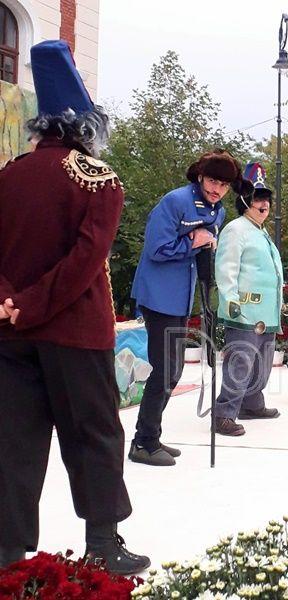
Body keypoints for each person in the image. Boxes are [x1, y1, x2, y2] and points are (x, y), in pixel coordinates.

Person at [0, 40, 149, 573]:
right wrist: (33, 304)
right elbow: (86, 262)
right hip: (76, 333)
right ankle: (103, 545)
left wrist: (11, 303)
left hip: (10, 333)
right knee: (93, 436)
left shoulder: (8, 174)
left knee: (12, 443)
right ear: (87, 127)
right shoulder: (98, 180)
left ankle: (6, 554)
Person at [128, 150, 239, 465]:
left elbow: (204, 242)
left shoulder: (217, 211)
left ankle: (151, 435)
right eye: (213, 181)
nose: (217, 189)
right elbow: (156, 248)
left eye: (224, 184)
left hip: (181, 296)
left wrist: (206, 244)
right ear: (201, 177)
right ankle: (143, 443)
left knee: (173, 371)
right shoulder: (175, 201)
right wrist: (193, 241)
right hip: (158, 295)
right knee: (165, 370)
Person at [213, 163, 283, 436]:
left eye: (266, 198)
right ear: (244, 201)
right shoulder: (236, 229)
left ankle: (252, 404)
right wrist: (230, 300)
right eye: (257, 198)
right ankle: (224, 414)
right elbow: (226, 269)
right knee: (240, 362)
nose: (264, 204)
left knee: (261, 364)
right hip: (244, 311)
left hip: (266, 312)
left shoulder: (260, 232)